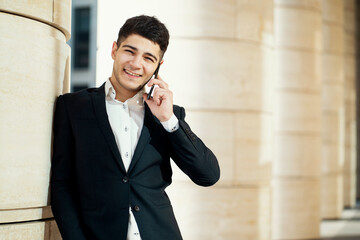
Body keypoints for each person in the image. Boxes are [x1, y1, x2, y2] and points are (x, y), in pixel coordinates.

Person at [51, 15, 220, 240]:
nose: (136, 63)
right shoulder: (72, 107)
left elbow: (208, 175)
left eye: (148, 58)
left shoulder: (168, 114)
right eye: (129, 51)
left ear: (158, 67)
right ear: (114, 50)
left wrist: (168, 120)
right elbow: (62, 185)